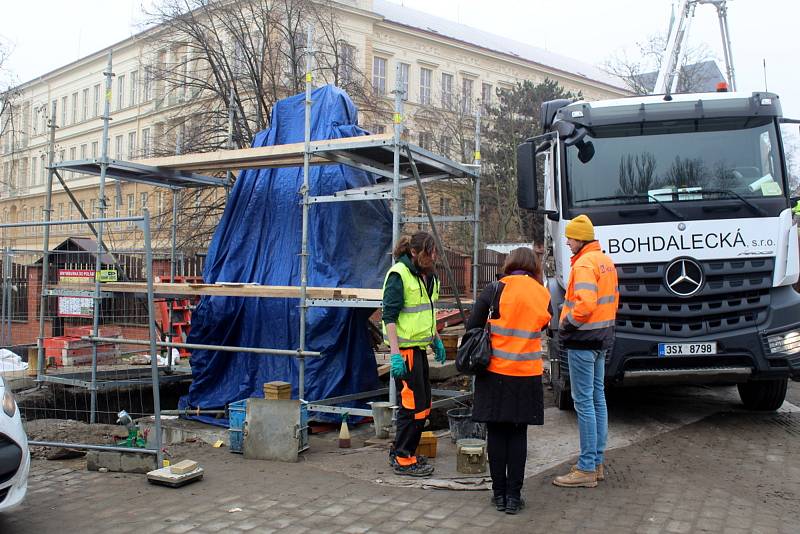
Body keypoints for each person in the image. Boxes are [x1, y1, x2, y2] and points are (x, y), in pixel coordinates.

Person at [468, 247, 551, 514]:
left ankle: (499, 495)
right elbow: (545, 325)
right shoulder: (542, 293)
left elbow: (472, 326)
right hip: (526, 376)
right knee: (518, 434)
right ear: (534, 268)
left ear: (510, 263)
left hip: (494, 373)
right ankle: (514, 497)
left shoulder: (495, 289)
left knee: (496, 434)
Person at [553, 214, 619, 488]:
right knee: (597, 398)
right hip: (602, 339)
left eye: (569, 237)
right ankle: (597, 461)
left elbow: (585, 305)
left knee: (583, 403)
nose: (567, 242)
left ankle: (587, 467)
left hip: (583, 340)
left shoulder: (582, 265)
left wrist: (566, 326)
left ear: (580, 238)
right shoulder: (604, 261)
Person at [382, 231, 447, 477]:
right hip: (406, 352)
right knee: (412, 406)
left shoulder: (428, 275)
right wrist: (396, 354)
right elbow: (389, 316)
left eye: (434, 252)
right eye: (429, 252)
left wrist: (436, 340)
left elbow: (427, 313)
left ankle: (401, 449)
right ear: (414, 253)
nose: (433, 256)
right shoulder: (400, 275)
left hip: (419, 349)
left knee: (422, 405)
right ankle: (403, 457)